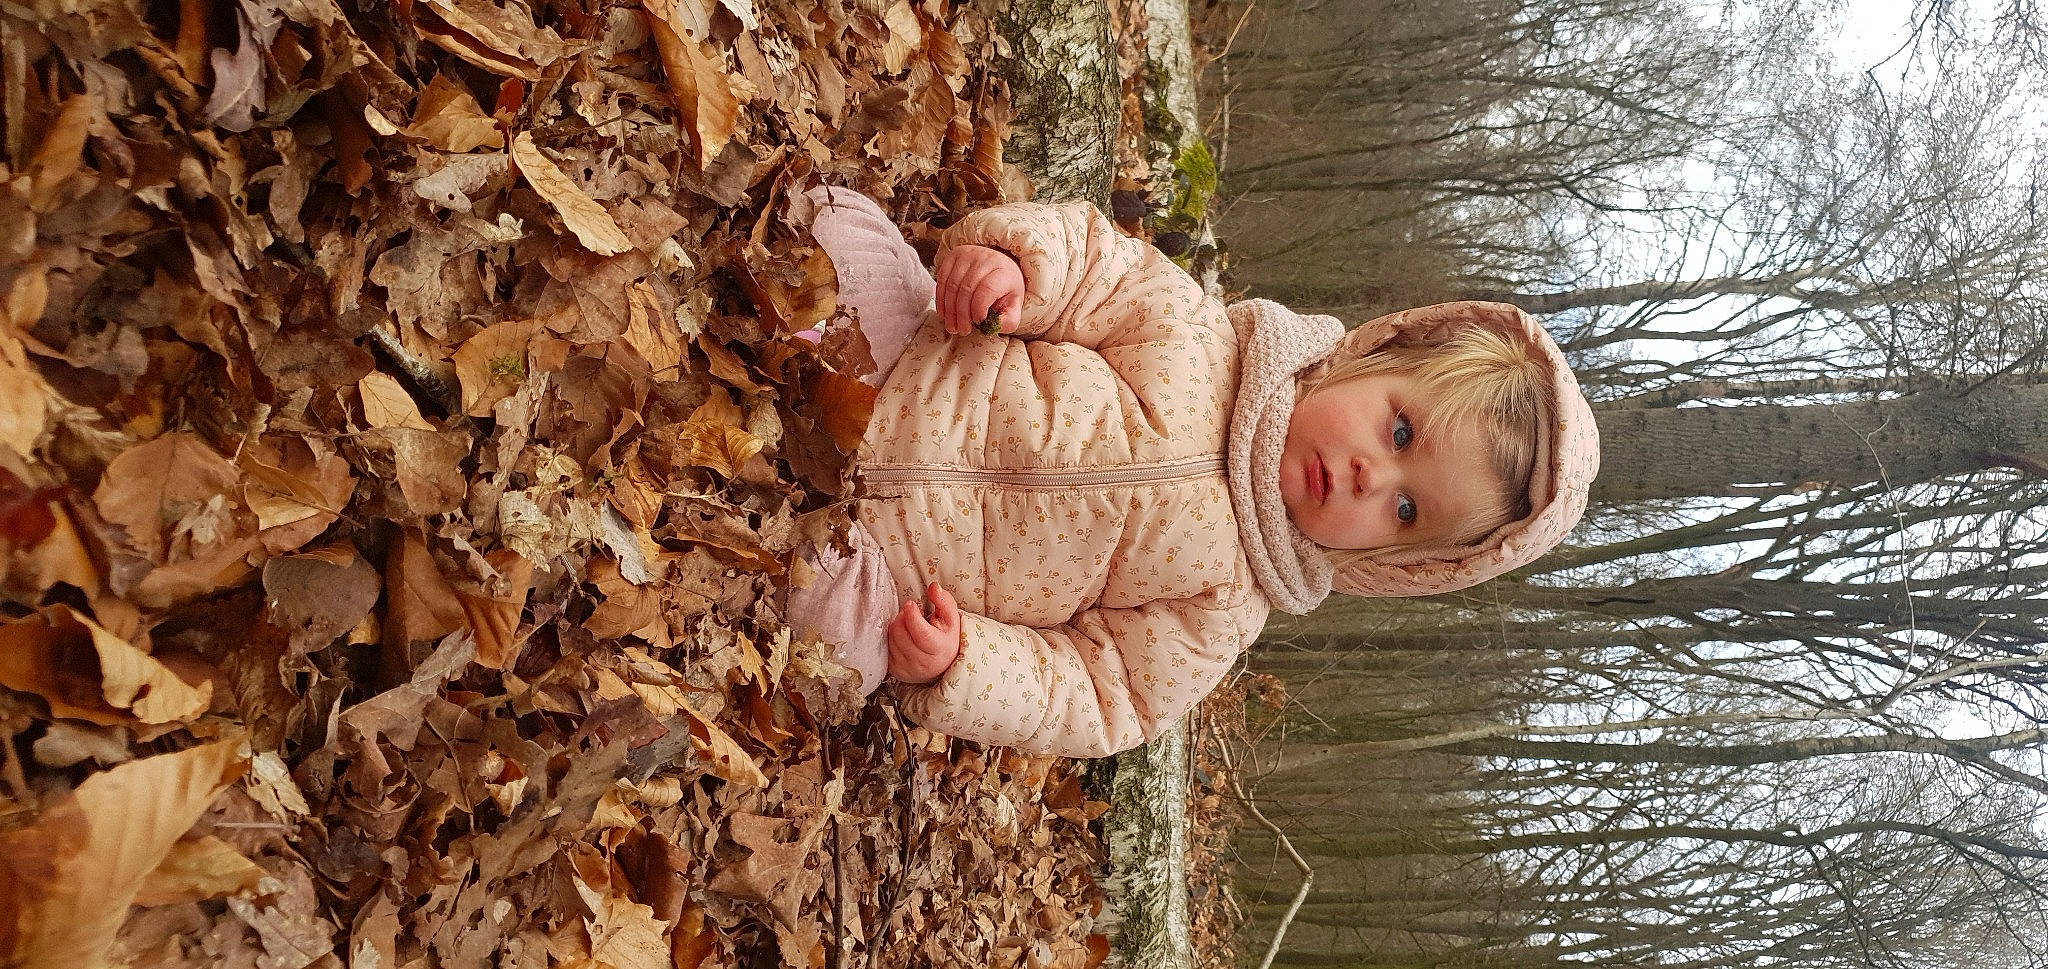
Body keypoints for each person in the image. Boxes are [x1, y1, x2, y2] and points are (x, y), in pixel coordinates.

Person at [781, 186, 1600, 758]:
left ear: (1393, 562)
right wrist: (1017, 272)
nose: (1370, 477)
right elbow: (1094, 266)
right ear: (1369, 356)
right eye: (1399, 431)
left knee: (834, 650)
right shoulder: (1197, 335)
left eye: (1407, 509)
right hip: (917, 361)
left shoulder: (1220, 611)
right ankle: (791, 347)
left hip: (892, 566)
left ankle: (776, 537)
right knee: (838, 236)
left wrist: (966, 662)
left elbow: (1099, 693)